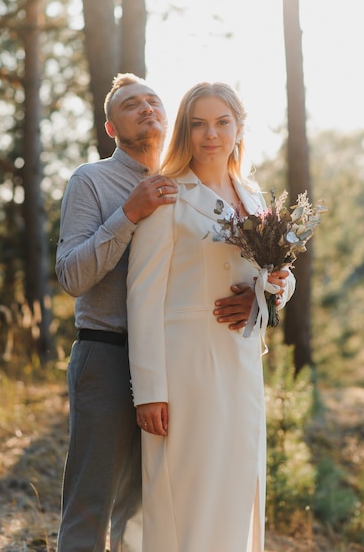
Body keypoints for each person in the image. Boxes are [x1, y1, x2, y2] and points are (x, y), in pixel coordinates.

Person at [55, 73, 257, 552]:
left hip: (180, 365)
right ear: (111, 126)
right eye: (130, 104)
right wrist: (126, 214)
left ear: (171, 120)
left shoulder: (197, 187)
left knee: (150, 509)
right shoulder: (93, 181)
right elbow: (71, 277)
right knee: (92, 502)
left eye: (153, 101)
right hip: (108, 355)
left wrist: (262, 297)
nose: (145, 108)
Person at [126, 81, 296, 552]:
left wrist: (269, 296)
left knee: (239, 483)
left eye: (222, 122)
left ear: (239, 127)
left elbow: (279, 274)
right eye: (198, 123)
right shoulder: (168, 194)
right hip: (187, 371)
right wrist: (150, 391)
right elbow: (142, 296)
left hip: (241, 363)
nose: (210, 134)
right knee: (191, 490)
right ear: (184, 130)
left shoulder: (254, 196)